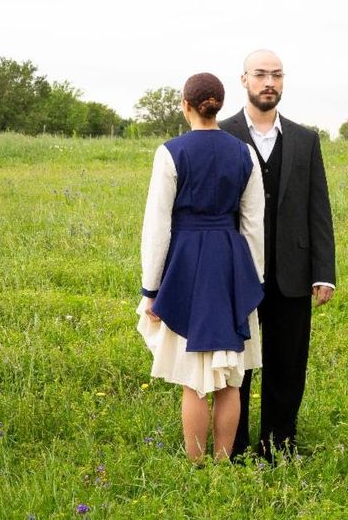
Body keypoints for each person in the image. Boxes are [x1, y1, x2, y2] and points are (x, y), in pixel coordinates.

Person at [137, 73, 265, 462]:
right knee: (230, 379)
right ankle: (224, 463)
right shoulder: (244, 153)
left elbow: (157, 225)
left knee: (193, 382)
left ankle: (196, 466)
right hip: (230, 263)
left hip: (188, 263)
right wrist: (252, 280)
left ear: (185, 105)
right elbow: (253, 223)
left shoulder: (170, 152)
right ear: (219, 106)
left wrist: (151, 287)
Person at [219, 49, 336, 461]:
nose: (269, 82)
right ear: (244, 80)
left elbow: (318, 209)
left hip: (294, 273)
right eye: (261, 74)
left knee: (288, 364)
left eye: (277, 75)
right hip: (238, 274)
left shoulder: (306, 140)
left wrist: (324, 271)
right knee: (237, 366)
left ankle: (278, 447)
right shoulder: (222, 134)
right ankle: (232, 446)